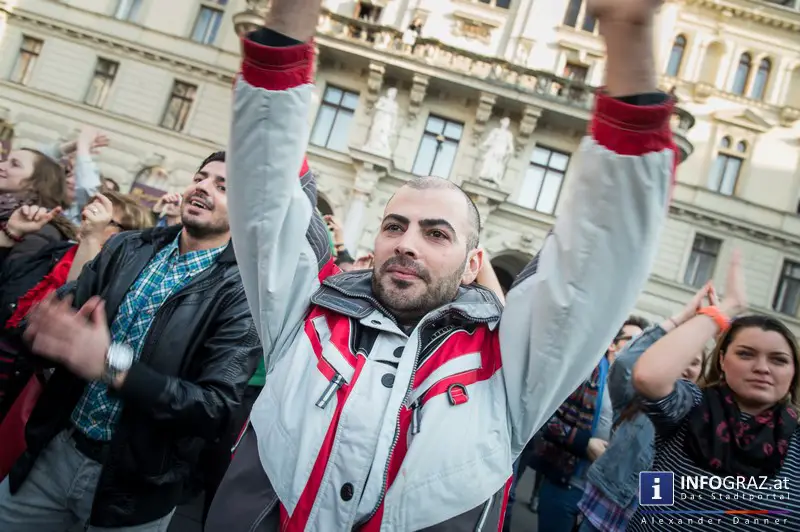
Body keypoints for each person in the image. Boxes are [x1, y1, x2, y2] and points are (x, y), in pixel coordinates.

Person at [207, 0, 678, 529]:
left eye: (436, 233)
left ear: (474, 261)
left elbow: (596, 259)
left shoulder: (508, 369)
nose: (407, 243)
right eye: (394, 225)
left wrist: (628, 30)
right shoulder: (304, 319)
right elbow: (266, 189)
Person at [0, 151, 262, 532]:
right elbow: (59, 310)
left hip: (133, 490)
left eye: (223, 187)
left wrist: (111, 365)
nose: (203, 188)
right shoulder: (129, 247)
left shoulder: (241, 293)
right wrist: (42, 327)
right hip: (55, 453)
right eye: (201, 177)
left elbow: (214, 408)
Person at [628, 251, 800, 531]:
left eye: (778, 360)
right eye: (745, 354)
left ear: (793, 373)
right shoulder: (690, 405)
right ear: (722, 360)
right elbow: (647, 376)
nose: (762, 368)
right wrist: (726, 309)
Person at [0, 193, 152, 416]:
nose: (88, 219)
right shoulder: (58, 251)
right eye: (89, 211)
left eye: (105, 219)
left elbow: (76, 303)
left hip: (25, 379)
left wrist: (92, 238)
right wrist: (11, 233)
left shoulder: (117, 278)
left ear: (126, 235)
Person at [577, 286, 710, 532]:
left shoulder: (703, 415)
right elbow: (625, 362)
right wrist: (680, 319)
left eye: (694, 362)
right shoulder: (639, 398)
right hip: (601, 512)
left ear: (702, 371)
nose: (684, 367)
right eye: (678, 357)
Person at [534, 316, 649, 532]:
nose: (639, 348)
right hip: (568, 486)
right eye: (632, 340)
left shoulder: (648, 394)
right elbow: (544, 419)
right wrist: (584, 444)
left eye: (644, 342)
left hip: (608, 504)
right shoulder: (586, 374)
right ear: (612, 344)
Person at [0, 149, 76, 264]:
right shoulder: (4, 209)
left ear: (36, 183)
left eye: (15, 164)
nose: (1, 165)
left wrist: (9, 235)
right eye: (5, 160)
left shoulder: (39, 227)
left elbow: (15, 277)